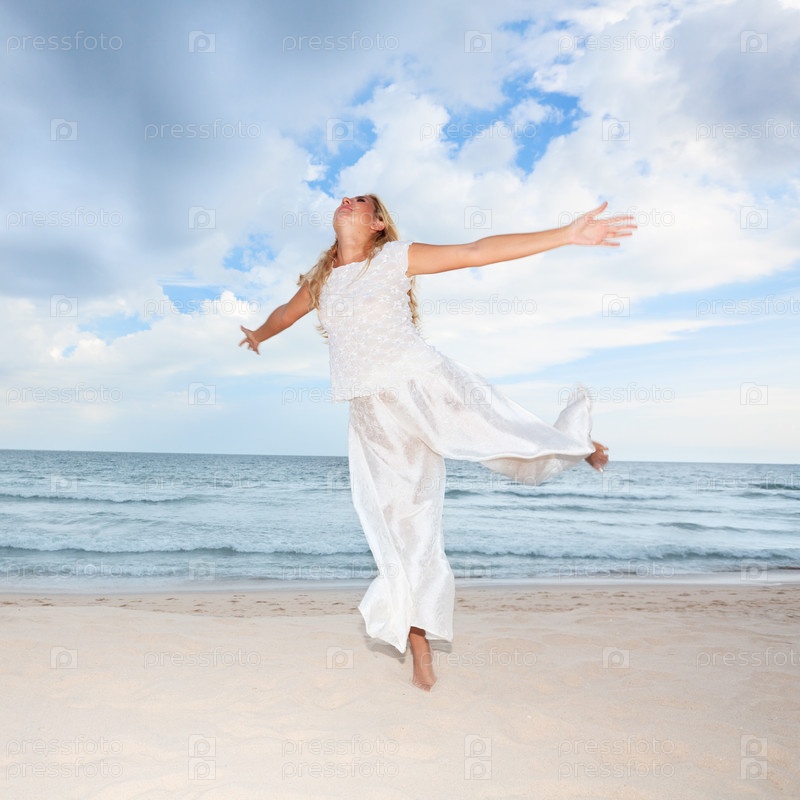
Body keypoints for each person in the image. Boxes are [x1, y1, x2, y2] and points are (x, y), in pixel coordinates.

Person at [239, 194, 636, 690]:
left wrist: (566, 234)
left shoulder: (393, 258)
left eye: (360, 201)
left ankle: (577, 444)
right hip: (373, 415)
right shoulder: (322, 282)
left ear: (377, 224)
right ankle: (420, 647)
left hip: (427, 385)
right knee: (406, 529)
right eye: (345, 198)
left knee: (504, 438)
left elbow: (474, 252)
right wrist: (258, 335)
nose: (346, 201)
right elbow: (284, 314)